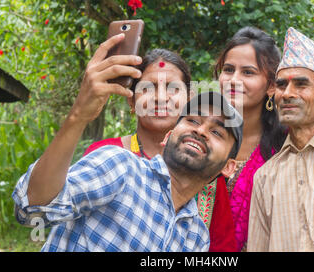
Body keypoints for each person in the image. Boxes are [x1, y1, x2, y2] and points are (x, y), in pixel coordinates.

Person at [12, 88, 243, 251]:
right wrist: (78, 117)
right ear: (168, 136)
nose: (201, 131)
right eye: (192, 120)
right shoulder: (121, 167)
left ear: (228, 167)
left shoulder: (196, 236)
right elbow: (32, 210)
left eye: (217, 132)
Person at [213, 26, 314, 251]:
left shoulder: (292, 145)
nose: (234, 80)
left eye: (248, 72)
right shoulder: (203, 135)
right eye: (228, 69)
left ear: (271, 86)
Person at [82, 48, 238, 251]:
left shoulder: (208, 179)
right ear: (131, 100)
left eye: (173, 88)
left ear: (189, 100)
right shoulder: (106, 153)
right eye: (148, 88)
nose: (161, 97)